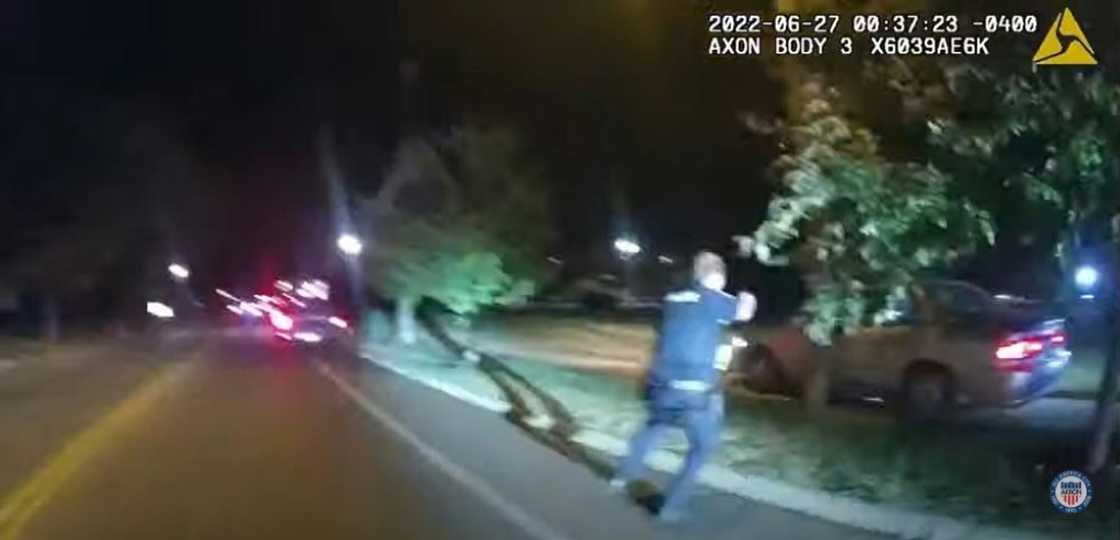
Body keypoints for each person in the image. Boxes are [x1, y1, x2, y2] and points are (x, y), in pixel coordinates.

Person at [610, 251, 756, 522]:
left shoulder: (673, 298)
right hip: (694, 390)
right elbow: (744, 312)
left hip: (663, 384)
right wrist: (748, 294)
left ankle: (623, 475)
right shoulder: (715, 299)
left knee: (654, 426)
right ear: (717, 276)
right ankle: (671, 507)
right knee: (703, 445)